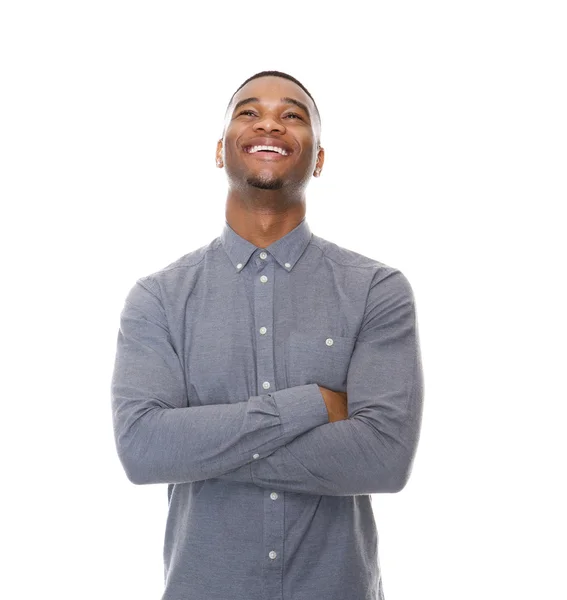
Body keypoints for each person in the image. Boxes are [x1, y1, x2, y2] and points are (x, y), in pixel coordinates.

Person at [111, 70, 424, 600]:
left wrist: (201, 448)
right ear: (220, 151)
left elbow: (384, 458)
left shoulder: (376, 290)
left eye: (293, 115)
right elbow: (142, 449)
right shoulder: (158, 298)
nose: (271, 124)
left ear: (318, 159)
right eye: (249, 111)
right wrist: (313, 405)